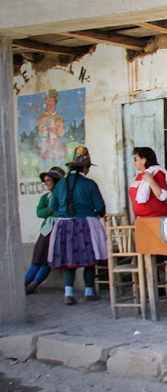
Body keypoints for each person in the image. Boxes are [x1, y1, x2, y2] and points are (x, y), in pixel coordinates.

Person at [49, 147, 106, 305]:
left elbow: (53, 205)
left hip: (64, 225)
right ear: (84, 167)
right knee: (90, 260)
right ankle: (89, 292)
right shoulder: (89, 184)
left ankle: (68, 294)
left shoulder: (60, 184)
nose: (88, 170)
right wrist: (97, 213)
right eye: (88, 167)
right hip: (86, 224)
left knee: (69, 261)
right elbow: (100, 207)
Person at [24, 167, 65, 295]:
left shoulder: (63, 196)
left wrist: (51, 211)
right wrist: (51, 210)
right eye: (45, 181)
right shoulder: (45, 197)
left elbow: (63, 212)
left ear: (55, 181)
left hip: (58, 229)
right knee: (37, 259)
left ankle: (33, 285)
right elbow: (39, 212)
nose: (46, 183)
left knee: (47, 261)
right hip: (46, 231)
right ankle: (24, 284)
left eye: (48, 180)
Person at [128, 147, 167, 218]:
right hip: (141, 219)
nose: (134, 162)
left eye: (136, 159)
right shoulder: (140, 175)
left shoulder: (156, 173)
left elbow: (162, 195)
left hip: (155, 218)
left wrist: (151, 181)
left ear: (143, 160)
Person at [36, 89, 67, 169]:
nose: (50, 104)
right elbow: (40, 129)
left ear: (55, 103)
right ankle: (45, 172)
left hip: (55, 140)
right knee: (45, 157)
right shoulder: (43, 116)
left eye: (52, 101)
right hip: (45, 141)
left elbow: (62, 131)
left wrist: (54, 129)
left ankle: (59, 173)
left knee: (57, 157)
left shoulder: (58, 115)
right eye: (48, 102)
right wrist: (45, 129)